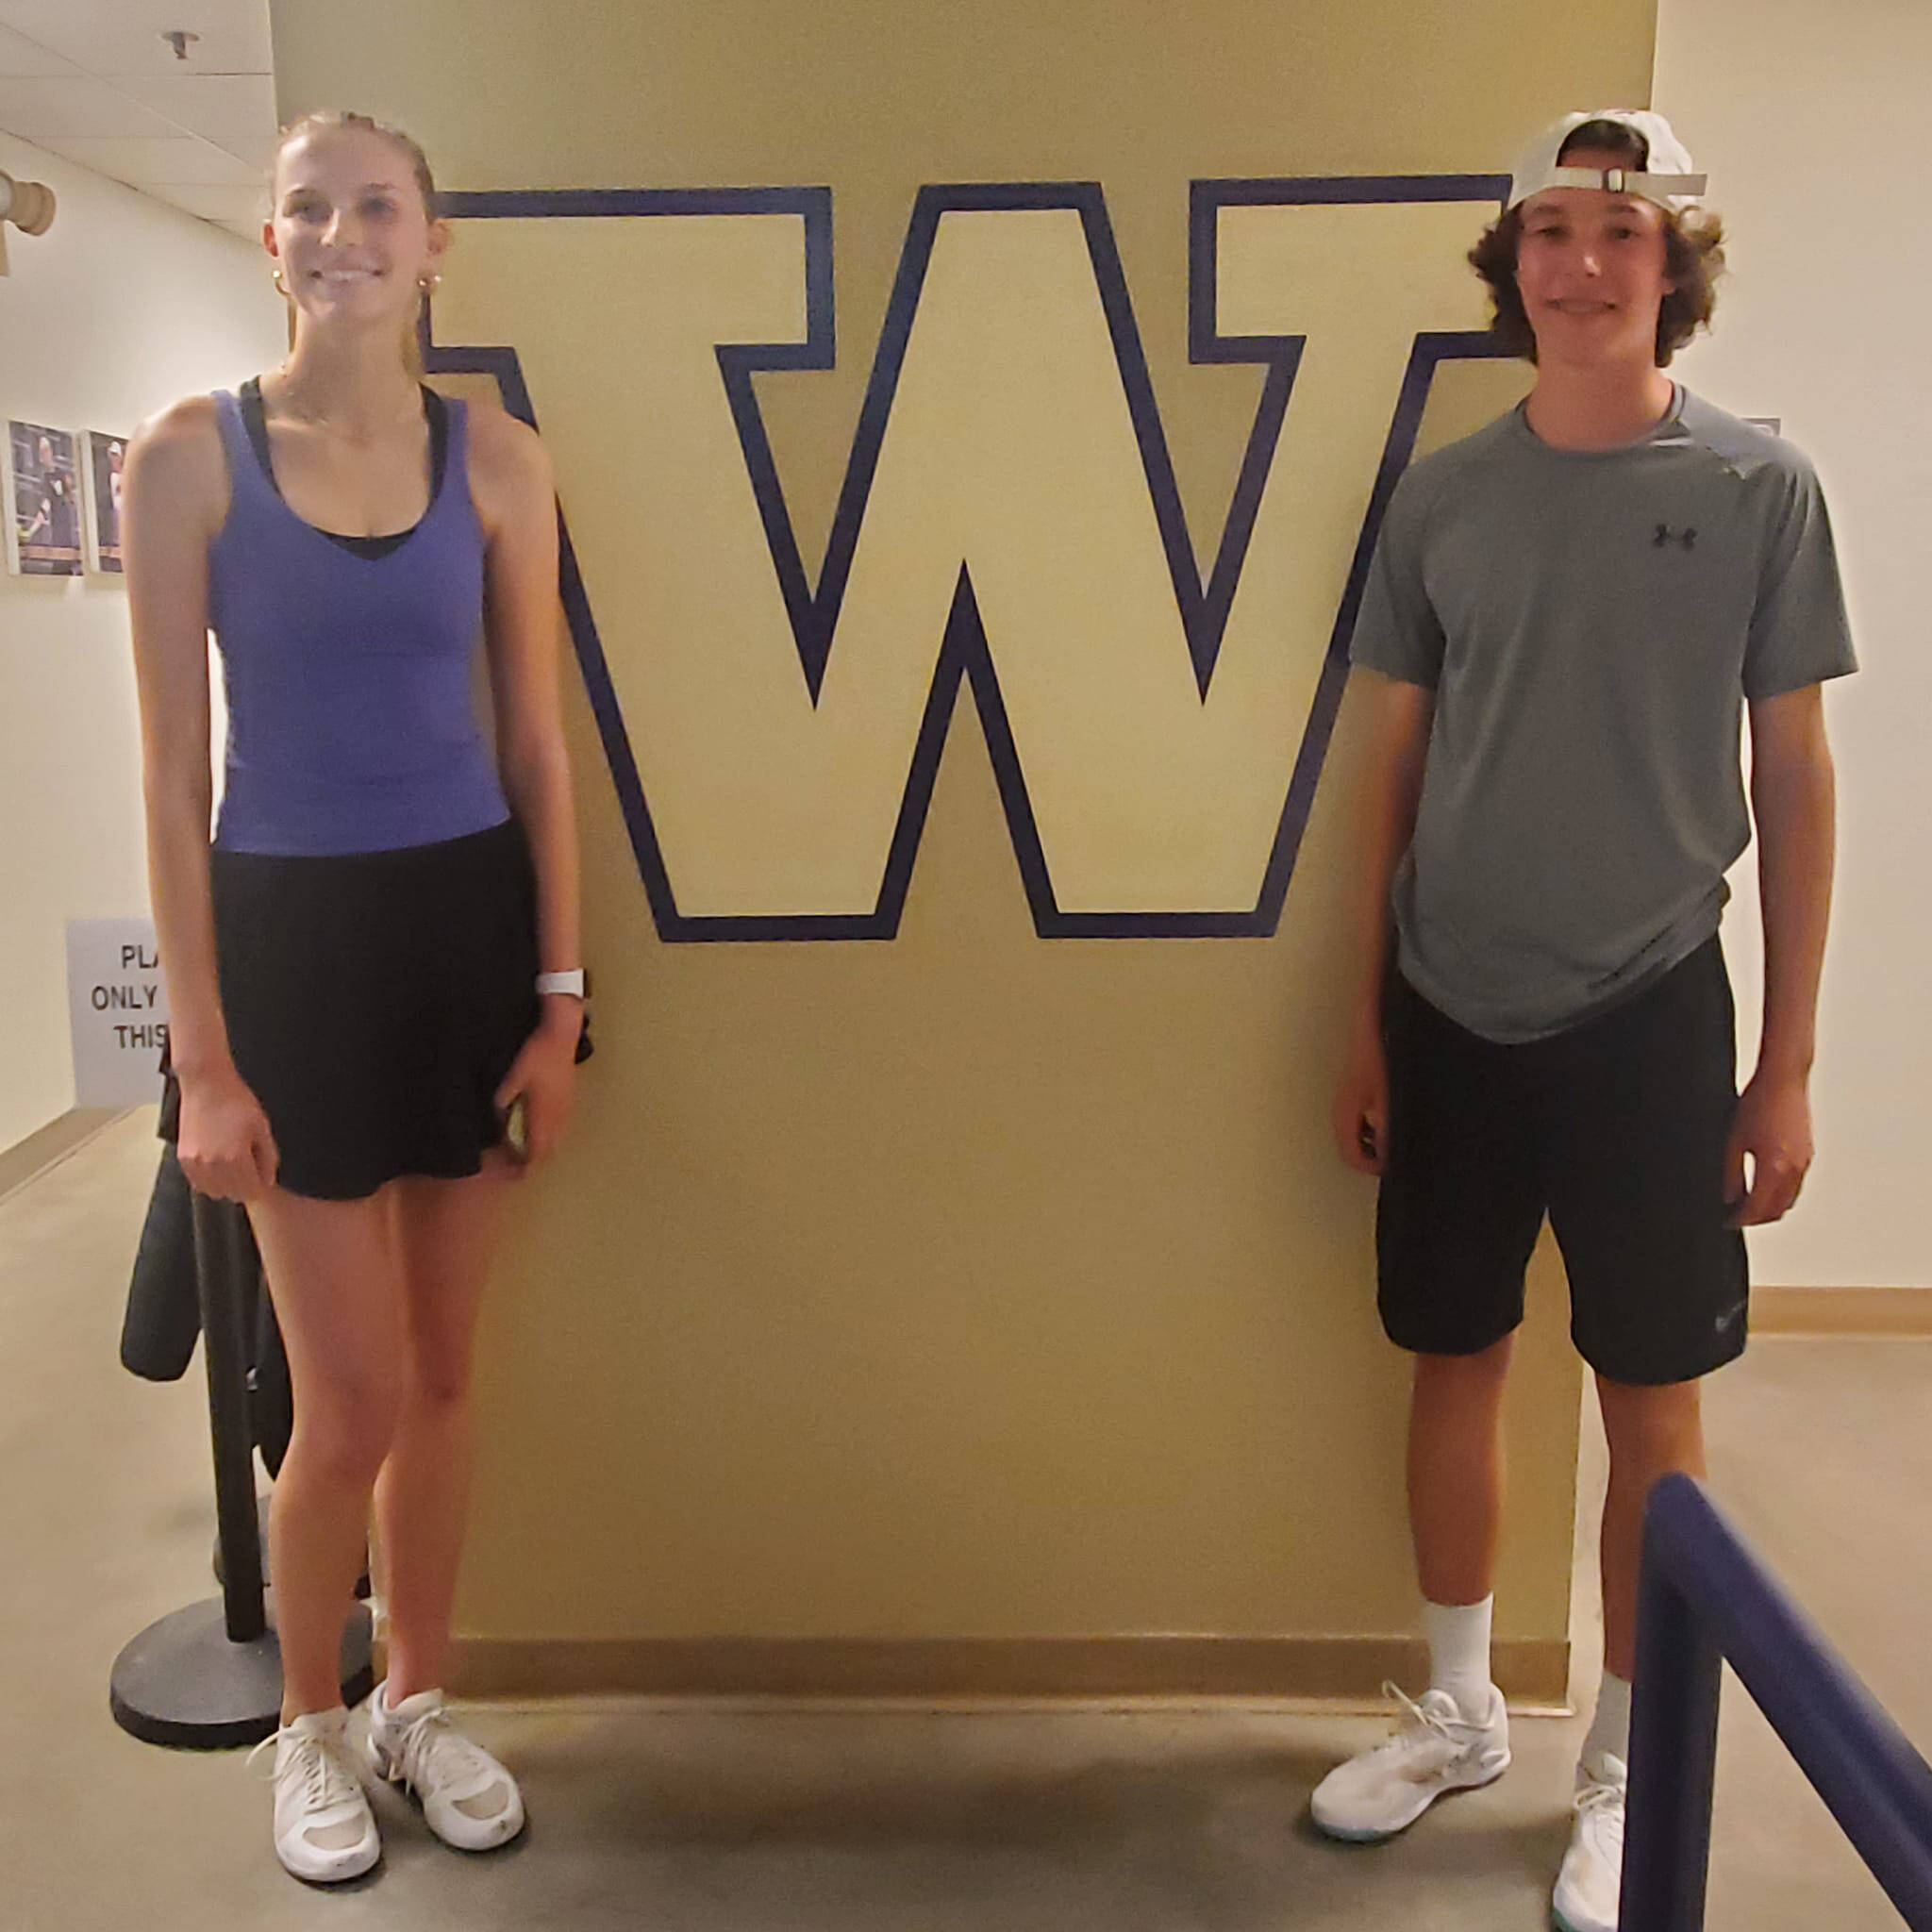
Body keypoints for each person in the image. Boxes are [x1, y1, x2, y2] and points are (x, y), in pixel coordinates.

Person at [1308, 109, 1854, 1932]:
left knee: (1652, 1408)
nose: (1582, 263)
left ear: (1671, 265)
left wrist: (1781, 1065)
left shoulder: (1766, 492)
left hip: (1650, 1017)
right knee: (1450, 1355)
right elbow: (1385, 771)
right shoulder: (1447, 496)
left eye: (1621, 232)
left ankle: (1630, 1766)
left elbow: (1797, 780)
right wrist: (1366, 1019)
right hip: (1451, 1003)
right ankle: (1460, 1712)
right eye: (1550, 231)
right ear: (1513, 267)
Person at [123, 109, 584, 1885]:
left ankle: (419, 1701)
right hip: (290, 953)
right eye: (307, 205)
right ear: (271, 241)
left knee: (454, 1376)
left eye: (374, 204)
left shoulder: (500, 463)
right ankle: (309, 1730)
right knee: (352, 1403)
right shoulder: (192, 459)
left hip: (468, 940)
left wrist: (559, 1001)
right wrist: (204, 1060)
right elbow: (172, 780)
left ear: (432, 240)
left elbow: (538, 743)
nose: (342, 233)